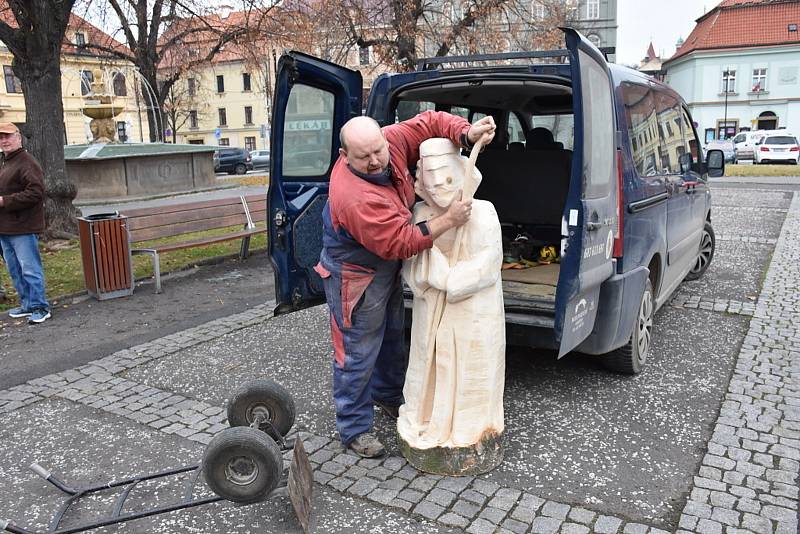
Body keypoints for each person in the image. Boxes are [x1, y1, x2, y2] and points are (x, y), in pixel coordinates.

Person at [315, 111, 496, 457]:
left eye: (378, 151)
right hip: (355, 273)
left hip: (384, 264)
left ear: (384, 138)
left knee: (392, 333)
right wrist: (449, 220)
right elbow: (401, 243)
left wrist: (466, 134)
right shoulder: (354, 195)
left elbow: (429, 122)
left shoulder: (391, 140)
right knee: (358, 349)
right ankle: (354, 427)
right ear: (344, 156)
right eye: (363, 157)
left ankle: (386, 394)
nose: (375, 161)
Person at [399, 138, 505, 454]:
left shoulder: (483, 212)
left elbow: (488, 264)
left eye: (446, 179)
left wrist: (449, 278)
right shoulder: (420, 213)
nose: (440, 189)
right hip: (431, 310)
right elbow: (412, 263)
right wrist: (431, 271)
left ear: (460, 173)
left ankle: (470, 428)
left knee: (471, 375)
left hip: (472, 313)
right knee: (428, 369)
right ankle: (427, 418)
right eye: (431, 183)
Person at [0, 122, 50, 324]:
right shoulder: (6, 161)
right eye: (1, 137)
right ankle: (27, 304)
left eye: (8, 136)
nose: (4, 140)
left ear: (18, 138)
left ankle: (40, 307)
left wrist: (5, 201)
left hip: (23, 227)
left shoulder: (27, 162)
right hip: (5, 228)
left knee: (29, 268)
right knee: (15, 270)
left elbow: (36, 192)